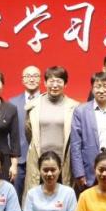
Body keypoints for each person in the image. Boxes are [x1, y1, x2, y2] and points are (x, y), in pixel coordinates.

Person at [24, 66, 78, 199]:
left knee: (63, 198)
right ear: (45, 83)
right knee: (36, 197)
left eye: (59, 81)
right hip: (38, 160)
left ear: (65, 84)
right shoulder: (33, 105)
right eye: (51, 81)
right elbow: (29, 133)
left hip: (64, 161)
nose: (55, 85)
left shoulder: (75, 107)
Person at [71, 72, 106, 190]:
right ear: (92, 89)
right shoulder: (80, 111)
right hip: (90, 172)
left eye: (105, 86)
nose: (101, 90)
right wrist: (79, 173)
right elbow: (75, 145)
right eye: (98, 86)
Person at [8, 65, 39, 211]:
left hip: (40, 160)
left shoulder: (46, 100)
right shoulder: (13, 103)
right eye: (28, 76)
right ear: (22, 79)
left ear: (40, 79)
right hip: (19, 159)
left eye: (35, 76)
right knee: (20, 199)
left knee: (38, 198)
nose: (31, 79)